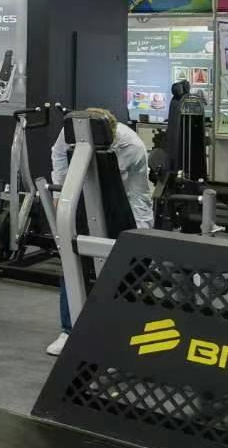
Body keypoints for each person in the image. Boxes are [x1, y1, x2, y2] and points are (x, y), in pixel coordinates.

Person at [46, 107, 152, 356]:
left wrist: (142, 231)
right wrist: (61, 192)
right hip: (79, 195)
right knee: (73, 259)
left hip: (117, 204)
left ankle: (118, 327)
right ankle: (69, 330)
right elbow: (58, 153)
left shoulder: (133, 147)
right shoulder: (72, 132)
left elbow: (139, 193)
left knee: (122, 266)